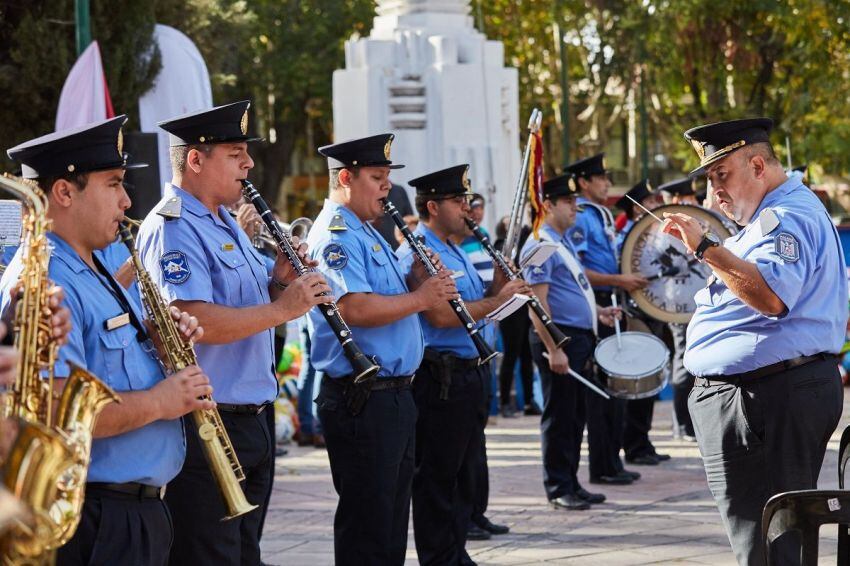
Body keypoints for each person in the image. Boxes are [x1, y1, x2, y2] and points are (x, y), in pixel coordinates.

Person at [3, 116, 211, 566]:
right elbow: (58, 412)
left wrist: (161, 340)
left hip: (131, 513)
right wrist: (162, 401)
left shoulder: (92, 267)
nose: (127, 199)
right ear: (64, 192)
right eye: (114, 184)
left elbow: (110, 361)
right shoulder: (44, 281)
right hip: (97, 519)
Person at [136, 101, 331, 565]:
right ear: (197, 160)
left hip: (252, 417)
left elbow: (246, 302)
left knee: (245, 554)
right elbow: (194, 320)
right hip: (212, 422)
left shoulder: (225, 220)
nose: (248, 163)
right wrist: (284, 307)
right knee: (210, 555)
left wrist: (280, 280)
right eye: (235, 152)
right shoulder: (175, 227)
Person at [662, 117, 847, 565]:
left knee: (769, 544)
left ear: (758, 164)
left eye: (721, 175)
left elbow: (769, 295)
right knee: (766, 539)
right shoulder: (770, 215)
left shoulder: (784, 216)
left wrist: (704, 247)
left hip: (766, 396)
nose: (714, 192)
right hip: (763, 392)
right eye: (709, 179)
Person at [308, 133, 457, 565]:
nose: (387, 186)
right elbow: (352, 307)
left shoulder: (370, 233)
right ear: (346, 178)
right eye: (377, 176)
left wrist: (415, 279)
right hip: (363, 399)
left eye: (388, 176)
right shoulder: (337, 236)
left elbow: (392, 302)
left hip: (393, 395)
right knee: (368, 530)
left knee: (390, 524)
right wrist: (423, 297)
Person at [396, 164, 527, 565]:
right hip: (441, 376)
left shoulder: (458, 248)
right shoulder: (419, 250)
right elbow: (439, 316)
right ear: (433, 206)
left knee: (465, 473)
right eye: (457, 201)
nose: (467, 209)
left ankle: (456, 552)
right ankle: (439, 557)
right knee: (438, 476)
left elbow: (480, 303)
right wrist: (494, 302)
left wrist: (502, 288)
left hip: (470, 371)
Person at [521, 173, 620, 511]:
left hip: (576, 337)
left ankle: (572, 482)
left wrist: (599, 312)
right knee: (561, 416)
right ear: (547, 205)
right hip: (559, 339)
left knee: (575, 416)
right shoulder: (540, 244)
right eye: (568, 202)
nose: (575, 209)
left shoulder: (560, 241)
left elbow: (572, 290)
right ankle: (558, 486)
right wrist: (553, 348)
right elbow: (537, 303)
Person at [566, 154, 644, 486]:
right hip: (597, 302)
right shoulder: (582, 217)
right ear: (584, 181)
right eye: (601, 178)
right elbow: (578, 271)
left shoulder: (600, 214)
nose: (607, 183)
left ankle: (612, 460)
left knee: (616, 387)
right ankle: (602, 464)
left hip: (611, 300)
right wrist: (618, 281)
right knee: (602, 390)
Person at [613, 180, 670, 466]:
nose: (654, 206)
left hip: (655, 311)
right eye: (648, 202)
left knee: (651, 380)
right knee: (640, 379)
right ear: (636, 208)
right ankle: (634, 444)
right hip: (637, 312)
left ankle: (643, 441)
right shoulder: (627, 236)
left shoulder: (652, 235)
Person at [657, 176, 700, 441]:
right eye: (686, 198)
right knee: (683, 362)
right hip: (679, 304)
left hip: (695, 301)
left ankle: (686, 423)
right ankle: (682, 424)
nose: (691, 203)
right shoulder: (664, 231)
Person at [372, 182, 414, 250]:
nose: (389, 186)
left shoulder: (399, 190)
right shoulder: (372, 192)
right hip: (381, 246)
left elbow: (410, 219)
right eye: (377, 177)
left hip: (402, 245)